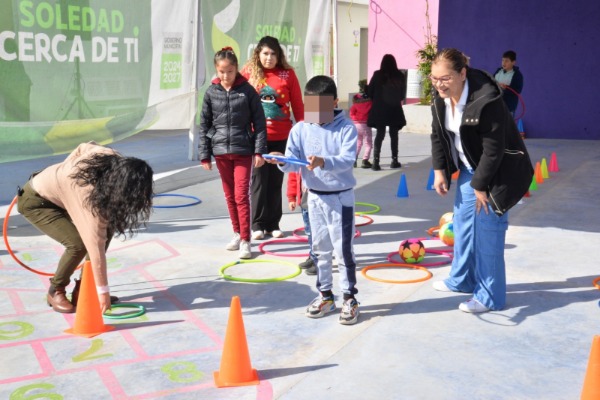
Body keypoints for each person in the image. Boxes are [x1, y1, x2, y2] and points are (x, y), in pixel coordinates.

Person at [429, 48, 533, 313]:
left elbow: (494, 150)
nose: (439, 84)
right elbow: (438, 133)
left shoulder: (487, 99)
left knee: (488, 233)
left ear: (462, 74)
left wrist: (480, 185)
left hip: (498, 174)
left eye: (445, 78)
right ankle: (462, 279)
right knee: (463, 225)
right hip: (470, 168)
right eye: (434, 78)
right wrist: (440, 169)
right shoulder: (440, 96)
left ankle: (490, 297)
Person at [17, 142, 154, 314]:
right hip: (37, 202)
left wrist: (62, 176)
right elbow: (95, 248)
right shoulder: (86, 194)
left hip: (60, 193)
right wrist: (103, 293)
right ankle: (55, 290)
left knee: (108, 228)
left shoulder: (109, 155)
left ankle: (84, 290)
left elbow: (84, 146)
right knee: (78, 244)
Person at [267, 75, 360, 325]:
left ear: (334, 102)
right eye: (311, 107)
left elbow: (347, 160)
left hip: (341, 199)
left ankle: (349, 298)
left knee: (343, 250)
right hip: (315, 198)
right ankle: (326, 295)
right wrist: (280, 160)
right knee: (320, 250)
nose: (315, 114)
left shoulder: (346, 128)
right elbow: (292, 163)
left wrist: (323, 161)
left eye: (321, 107)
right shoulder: (300, 129)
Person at [199, 47, 267, 259]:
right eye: (221, 71)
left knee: (241, 196)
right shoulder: (211, 92)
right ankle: (237, 233)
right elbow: (204, 124)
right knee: (229, 196)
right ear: (216, 70)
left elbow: (259, 123)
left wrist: (259, 151)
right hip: (221, 152)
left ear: (236, 69)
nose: (226, 76)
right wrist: (205, 154)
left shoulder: (247, 91)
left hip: (243, 150)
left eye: (229, 71)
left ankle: (246, 240)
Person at [241, 36, 304, 241]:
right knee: (259, 180)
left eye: (273, 54)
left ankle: (273, 223)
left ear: (279, 55)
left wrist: (306, 129)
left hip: (282, 136)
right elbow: (236, 98)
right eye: (265, 53)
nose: (269, 58)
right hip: (257, 137)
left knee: (276, 181)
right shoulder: (248, 73)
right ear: (258, 54)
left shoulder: (288, 74)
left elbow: (298, 104)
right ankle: (257, 224)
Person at [367, 54, 407, 171]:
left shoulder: (377, 75)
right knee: (394, 135)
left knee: (380, 134)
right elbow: (402, 95)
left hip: (380, 109)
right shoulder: (400, 75)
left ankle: (376, 162)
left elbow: (370, 92)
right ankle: (394, 160)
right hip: (394, 109)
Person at [287, 171, 317, 275]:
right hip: (305, 204)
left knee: (319, 233)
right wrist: (291, 198)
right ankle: (313, 255)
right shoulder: (298, 163)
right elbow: (292, 177)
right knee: (309, 232)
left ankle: (320, 260)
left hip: (319, 203)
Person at [493, 50, 524, 115]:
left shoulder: (517, 75)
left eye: (506, 61)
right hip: (495, 106)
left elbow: (517, 91)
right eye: (502, 60)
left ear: (513, 62)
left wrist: (505, 88)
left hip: (508, 108)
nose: (503, 63)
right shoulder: (498, 71)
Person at [349, 92, 373, 168]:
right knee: (368, 143)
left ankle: (354, 159)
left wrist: (356, 119)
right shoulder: (370, 104)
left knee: (358, 142)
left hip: (356, 125)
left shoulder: (354, 105)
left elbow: (351, 114)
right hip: (366, 125)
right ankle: (365, 161)